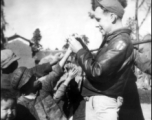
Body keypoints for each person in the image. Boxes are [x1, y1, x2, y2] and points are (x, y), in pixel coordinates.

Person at [68, 0, 142, 120]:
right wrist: (82, 46)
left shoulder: (121, 41)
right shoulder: (113, 40)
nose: (98, 24)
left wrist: (80, 51)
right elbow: (97, 65)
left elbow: (97, 71)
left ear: (112, 17)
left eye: (99, 19)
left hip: (104, 102)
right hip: (99, 100)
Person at [11, 48, 73, 120]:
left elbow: (56, 72)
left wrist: (68, 53)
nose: (37, 78)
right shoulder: (21, 106)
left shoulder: (43, 88)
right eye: (33, 78)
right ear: (25, 84)